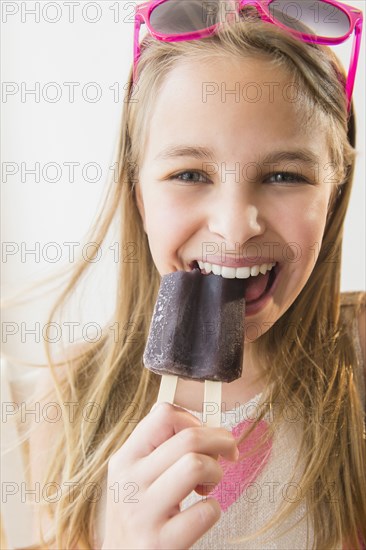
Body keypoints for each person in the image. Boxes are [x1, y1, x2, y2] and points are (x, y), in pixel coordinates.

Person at [1, 0, 365, 548]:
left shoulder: (358, 367)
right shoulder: (57, 414)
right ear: (137, 195)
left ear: (334, 196)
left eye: (285, 174)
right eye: (190, 172)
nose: (236, 227)